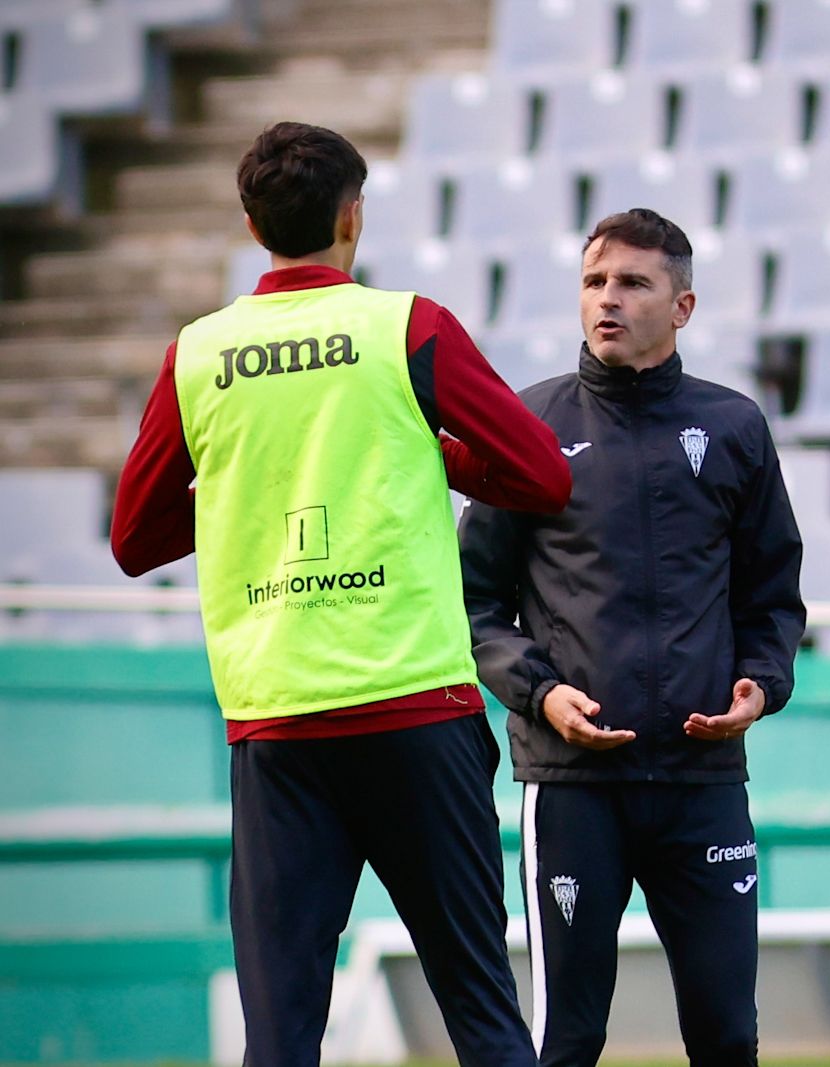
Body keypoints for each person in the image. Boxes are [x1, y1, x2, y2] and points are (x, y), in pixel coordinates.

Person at [110, 121, 570, 1066]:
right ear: (352, 218)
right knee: (483, 1017)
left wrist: (239, 488)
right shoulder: (408, 326)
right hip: (416, 711)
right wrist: (434, 453)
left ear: (251, 224)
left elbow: (133, 539)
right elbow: (539, 475)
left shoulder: (199, 353)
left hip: (278, 724)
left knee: (280, 1038)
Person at [459, 208, 805, 1067]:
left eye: (633, 283)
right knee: (566, 1039)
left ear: (682, 306)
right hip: (576, 786)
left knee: (728, 1035)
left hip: (704, 781)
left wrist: (762, 682)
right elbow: (471, 603)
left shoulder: (734, 428)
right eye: (594, 282)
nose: (607, 299)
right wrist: (540, 692)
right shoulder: (526, 425)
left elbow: (773, 595)